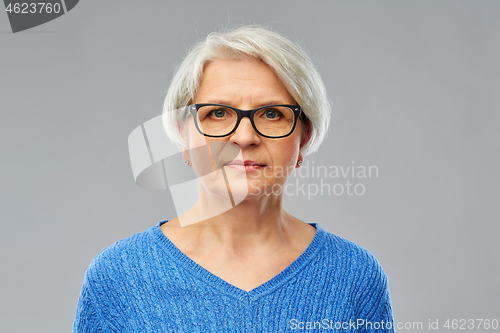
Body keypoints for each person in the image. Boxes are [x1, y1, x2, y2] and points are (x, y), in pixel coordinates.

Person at [73, 25, 395, 332]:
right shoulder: (117, 278)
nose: (244, 137)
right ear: (184, 136)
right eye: (218, 113)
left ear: (304, 137)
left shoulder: (356, 278)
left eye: (271, 113)